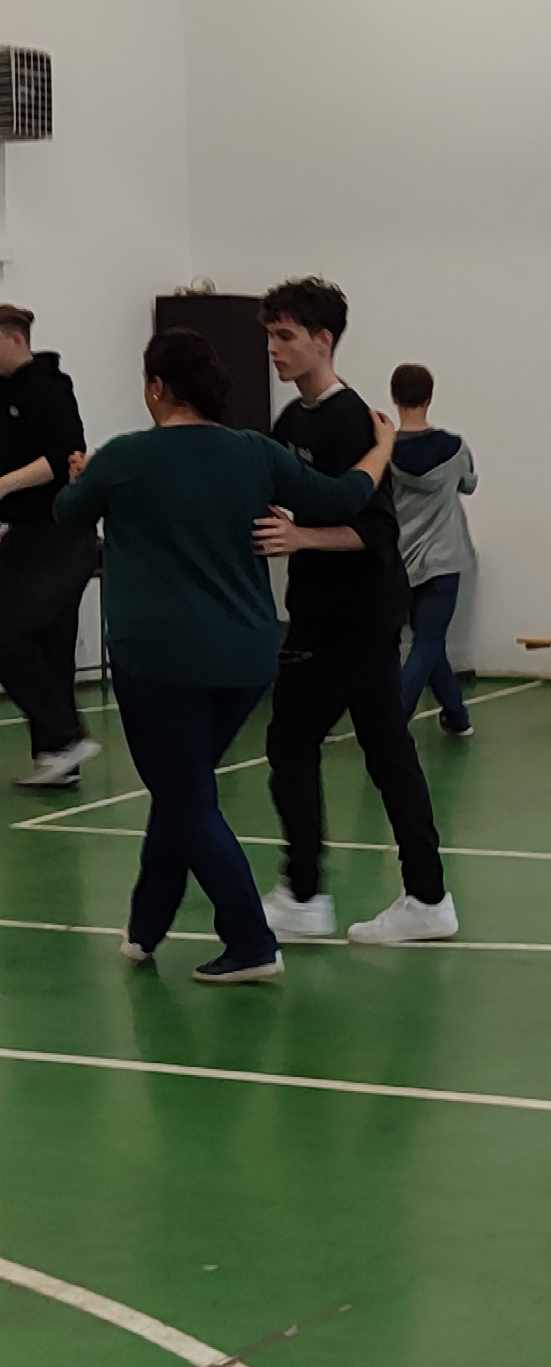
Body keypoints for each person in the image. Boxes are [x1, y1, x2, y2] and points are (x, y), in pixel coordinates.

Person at [54, 329, 396, 982]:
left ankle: (250, 943)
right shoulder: (254, 453)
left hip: (157, 661)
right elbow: (343, 497)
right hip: (245, 659)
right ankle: (146, 925)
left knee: (184, 796)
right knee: (183, 787)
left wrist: (81, 476)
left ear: (157, 387)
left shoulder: (124, 458)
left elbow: (68, 514)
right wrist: (381, 448)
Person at [255, 278, 459, 946]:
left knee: (300, 742)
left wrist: (301, 537)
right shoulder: (291, 422)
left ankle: (309, 892)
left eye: (285, 336)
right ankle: (422, 895)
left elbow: (375, 531)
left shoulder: (353, 422)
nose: (274, 349)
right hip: (317, 607)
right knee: (377, 748)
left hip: (359, 611)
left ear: (323, 340)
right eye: (269, 336)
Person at [0, 303, 99, 789]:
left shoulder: (50, 388)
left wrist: (3, 484)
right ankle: (56, 756)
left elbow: (64, 456)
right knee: (47, 642)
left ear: (15, 338)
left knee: (12, 631)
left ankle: (63, 736)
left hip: (62, 534)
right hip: (23, 534)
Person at [389, 363, 478, 734]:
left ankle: (457, 717)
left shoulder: (382, 451)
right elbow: (469, 484)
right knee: (428, 641)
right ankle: (393, 721)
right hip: (444, 560)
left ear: (394, 398)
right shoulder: (455, 447)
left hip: (400, 560)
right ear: (429, 397)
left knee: (428, 641)